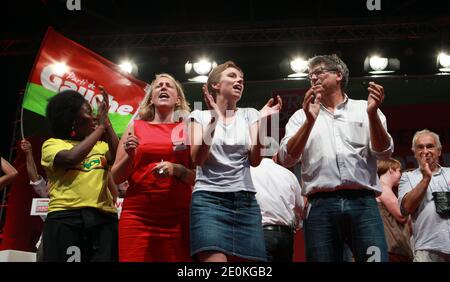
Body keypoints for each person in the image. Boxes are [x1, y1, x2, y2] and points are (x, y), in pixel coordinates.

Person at [278, 54, 392, 262]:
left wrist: (373, 114)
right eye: (310, 74)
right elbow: (286, 159)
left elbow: (384, 152)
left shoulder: (365, 109)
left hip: (363, 203)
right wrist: (309, 122)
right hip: (321, 205)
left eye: (319, 72)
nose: (313, 77)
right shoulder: (300, 116)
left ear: (338, 75)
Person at [189, 60, 282, 262]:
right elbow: (197, 158)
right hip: (208, 201)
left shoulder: (250, 114)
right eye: (232, 76)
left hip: (245, 202)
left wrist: (264, 123)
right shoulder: (199, 115)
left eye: (241, 79)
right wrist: (214, 120)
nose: (239, 80)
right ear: (215, 85)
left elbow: (255, 160)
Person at [112, 73, 195, 262]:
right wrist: (130, 156)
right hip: (137, 217)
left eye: (169, 85)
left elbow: (199, 177)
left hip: (178, 218)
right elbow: (115, 177)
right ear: (150, 98)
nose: (163, 87)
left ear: (178, 98)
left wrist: (177, 169)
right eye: (158, 86)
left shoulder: (189, 129)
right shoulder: (135, 127)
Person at [41, 88, 119, 262]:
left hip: (104, 219)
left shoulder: (100, 146)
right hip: (66, 218)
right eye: (89, 113)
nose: (93, 117)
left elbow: (117, 155)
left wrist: (107, 123)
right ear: (73, 120)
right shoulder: (52, 145)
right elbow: (71, 158)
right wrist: (100, 127)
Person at [398, 129, 450, 262]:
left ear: (439, 150)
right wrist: (426, 178)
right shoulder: (407, 177)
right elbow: (406, 209)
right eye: (420, 147)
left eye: (430, 146)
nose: (425, 151)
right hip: (426, 248)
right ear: (414, 153)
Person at [250, 139, 304, 262]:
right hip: (285, 236)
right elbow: (301, 207)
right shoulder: (288, 175)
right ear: (275, 155)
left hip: (259, 234)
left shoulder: (247, 172)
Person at [376, 158, 413, 262]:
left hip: (393, 249)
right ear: (391, 169)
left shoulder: (381, 189)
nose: (400, 175)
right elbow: (401, 216)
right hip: (391, 249)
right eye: (399, 171)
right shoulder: (383, 188)